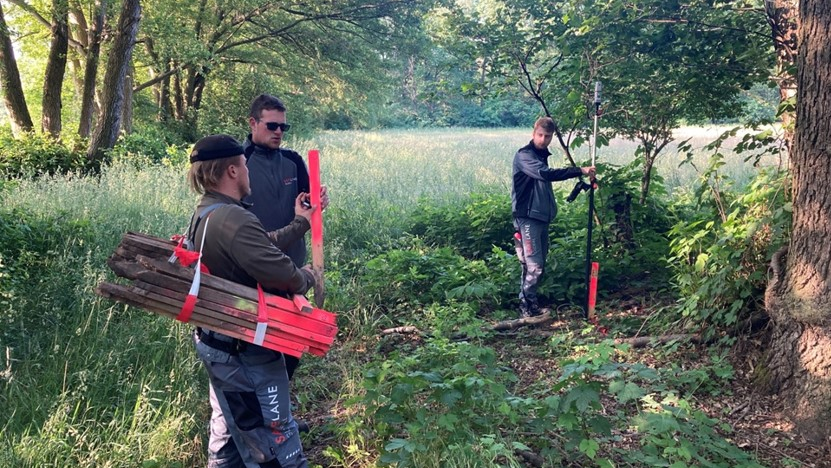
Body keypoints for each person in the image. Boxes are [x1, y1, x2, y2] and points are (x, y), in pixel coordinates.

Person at [186, 134, 318, 468]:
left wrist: (299, 222)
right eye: (244, 166)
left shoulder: (209, 211)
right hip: (246, 350)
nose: (248, 171)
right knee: (273, 434)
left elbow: (260, 244)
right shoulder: (234, 219)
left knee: (229, 429)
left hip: (218, 341)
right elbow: (280, 272)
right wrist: (307, 278)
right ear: (232, 171)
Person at [243, 94, 328, 381]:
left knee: (292, 348)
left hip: (293, 269)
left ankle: (280, 416)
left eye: (283, 127)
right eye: (272, 126)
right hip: (253, 272)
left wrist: (318, 200)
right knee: (257, 348)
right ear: (253, 123)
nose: (278, 132)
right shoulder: (240, 163)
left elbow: (309, 204)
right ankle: (260, 418)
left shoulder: (292, 161)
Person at [511, 117, 596, 318]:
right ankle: (527, 309)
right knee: (534, 264)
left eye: (547, 136)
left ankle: (531, 305)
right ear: (533, 134)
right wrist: (579, 170)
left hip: (541, 218)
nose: (543, 139)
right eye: (540, 135)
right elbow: (546, 174)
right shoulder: (525, 156)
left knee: (536, 263)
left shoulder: (541, 155)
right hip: (527, 218)